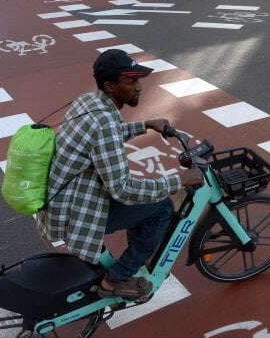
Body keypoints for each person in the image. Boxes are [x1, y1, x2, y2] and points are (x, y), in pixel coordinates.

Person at [36, 49, 203, 300]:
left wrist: (145, 124)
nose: (139, 87)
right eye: (131, 81)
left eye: (138, 81)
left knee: (145, 205)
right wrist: (179, 180)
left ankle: (140, 249)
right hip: (76, 213)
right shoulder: (103, 122)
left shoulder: (88, 102)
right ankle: (115, 279)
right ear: (110, 85)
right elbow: (122, 189)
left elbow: (105, 136)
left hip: (62, 200)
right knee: (162, 208)